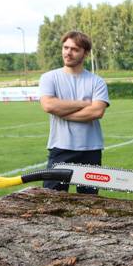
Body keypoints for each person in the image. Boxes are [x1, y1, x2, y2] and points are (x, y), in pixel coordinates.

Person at [39, 31, 109, 193]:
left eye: (75, 49)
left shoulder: (96, 81)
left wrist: (62, 112)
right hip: (60, 147)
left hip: (90, 149)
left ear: (85, 53)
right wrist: (83, 103)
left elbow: (97, 112)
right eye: (65, 47)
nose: (68, 53)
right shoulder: (49, 78)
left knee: (89, 204)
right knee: (52, 198)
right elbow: (49, 105)